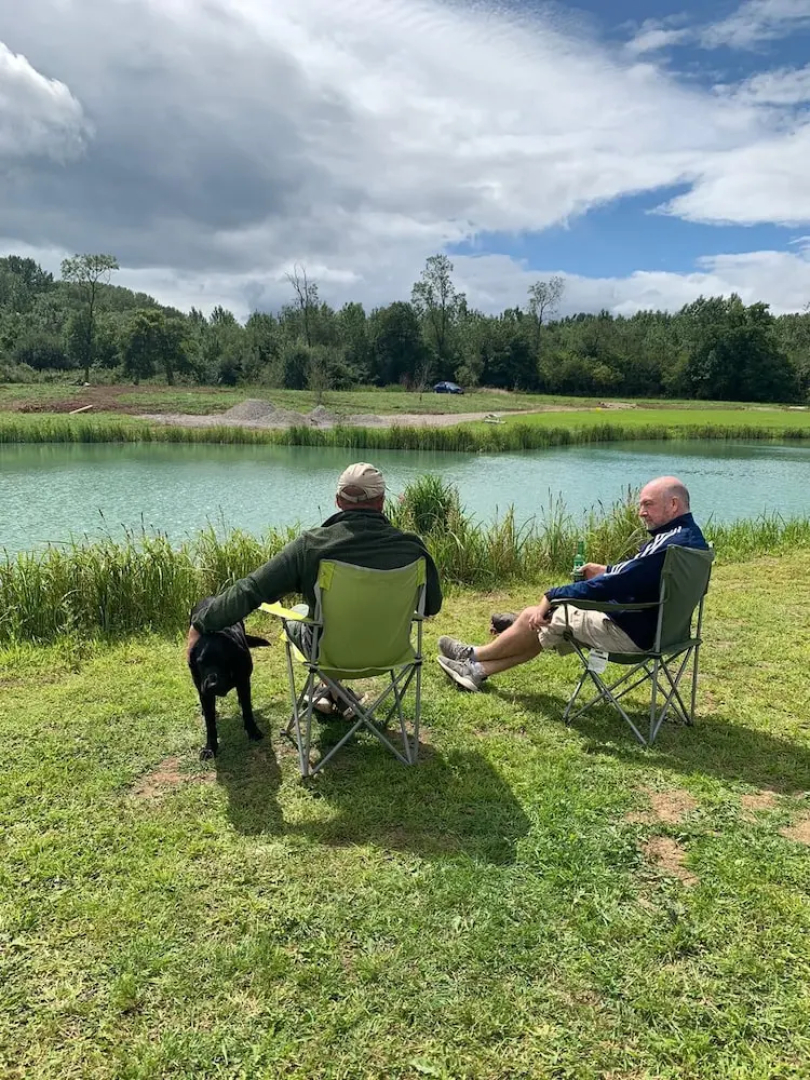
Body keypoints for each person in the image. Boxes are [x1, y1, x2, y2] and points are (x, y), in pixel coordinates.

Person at [187, 463, 442, 714]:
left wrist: (202, 622)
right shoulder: (412, 547)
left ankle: (326, 689)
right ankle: (332, 692)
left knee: (301, 613)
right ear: (382, 501)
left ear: (338, 501)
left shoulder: (310, 547)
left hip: (328, 654)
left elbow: (251, 589)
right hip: (392, 652)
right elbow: (432, 605)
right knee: (332, 619)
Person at [437, 475, 708, 692]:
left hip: (632, 633)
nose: (641, 512)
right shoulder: (692, 542)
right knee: (546, 620)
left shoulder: (667, 544)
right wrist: (606, 569)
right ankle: (477, 669)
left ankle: (472, 656)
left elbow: (613, 586)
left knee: (543, 615)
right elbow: (640, 574)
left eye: (648, 504)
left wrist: (553, 594)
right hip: (667, 632)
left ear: (673, 505)